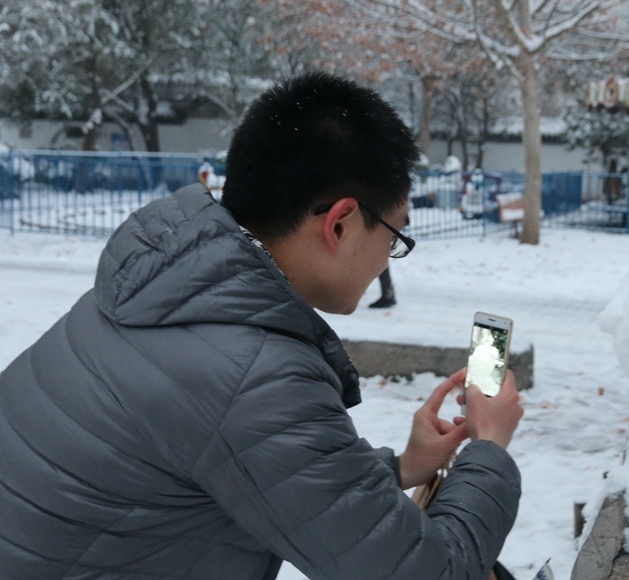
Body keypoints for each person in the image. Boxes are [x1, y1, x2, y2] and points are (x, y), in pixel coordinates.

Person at [0, 72, 523, 580]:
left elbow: (246, 464)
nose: (388, 258)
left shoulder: (164, 287)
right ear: (339, 223)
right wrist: (488, 447)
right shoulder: (253, 373)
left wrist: (402, 466)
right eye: (394, 236)